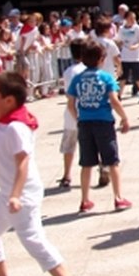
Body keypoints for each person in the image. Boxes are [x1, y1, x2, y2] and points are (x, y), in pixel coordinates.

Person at [0, 73, 71, 276]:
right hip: (7, 195)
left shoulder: (16, 128)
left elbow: (22, 163)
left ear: (9, 100)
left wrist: (15, 195)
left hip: (22, 195)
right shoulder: (0, 120)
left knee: (34, 241)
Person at [66, 39, 132, 213]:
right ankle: (118, 197)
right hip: (104, 122)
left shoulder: (77, 79)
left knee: (86, 163)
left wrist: (77, 118)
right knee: (112, 161)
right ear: (102, 59)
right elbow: (114, 100)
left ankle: (85, 200)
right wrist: (124, 118)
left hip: (85, 122)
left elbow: (70, 104)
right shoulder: (106, 77)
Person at [57, 38, 87, 188]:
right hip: (88, 111)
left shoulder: (68, 71)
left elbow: (68, 95)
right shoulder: (90, 69)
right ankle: (103, 169)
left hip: (71, 112)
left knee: (69, 146)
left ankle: (67, 174)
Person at [116, 11, 139, 103]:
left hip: (135, 57)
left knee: (138, 76)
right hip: (125, 56)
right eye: (131, 18)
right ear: (126, 19)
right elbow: (119, 40)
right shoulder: (121, 29)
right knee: (123, 77)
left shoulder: (137, 28)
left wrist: (136, 46)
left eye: (134, 18)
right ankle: (119, 95)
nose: (133, 20)